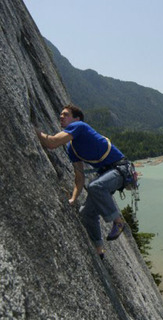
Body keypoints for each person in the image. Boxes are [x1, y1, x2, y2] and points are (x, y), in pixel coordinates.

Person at [36, 104, 127, 259]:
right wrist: (73, 198)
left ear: (76, 119)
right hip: (107, 175)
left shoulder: (80, 126)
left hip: (120, 169)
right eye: (61, 114)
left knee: (95, 186)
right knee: (86, 213)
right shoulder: (73, 149)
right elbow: (79, 178)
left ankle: (118, 222)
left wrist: (35, 130)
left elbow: (51, 143)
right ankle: (100, 251)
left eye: (65, 114)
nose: (61, 117)